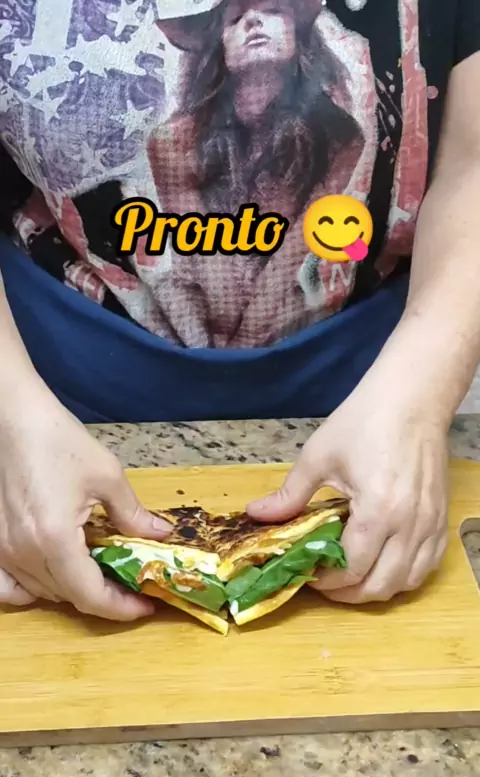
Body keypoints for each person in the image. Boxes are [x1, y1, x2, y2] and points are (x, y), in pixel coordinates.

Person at [0, 0, 479, 619]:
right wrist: (10, 418)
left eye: (273, 12)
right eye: (233, 19)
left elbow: (471, 166)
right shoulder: (179, 140)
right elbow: (189, 262)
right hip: (50, 390)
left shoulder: (341, 135)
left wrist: (416, 398)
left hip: (374, 386)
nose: (252, 22)